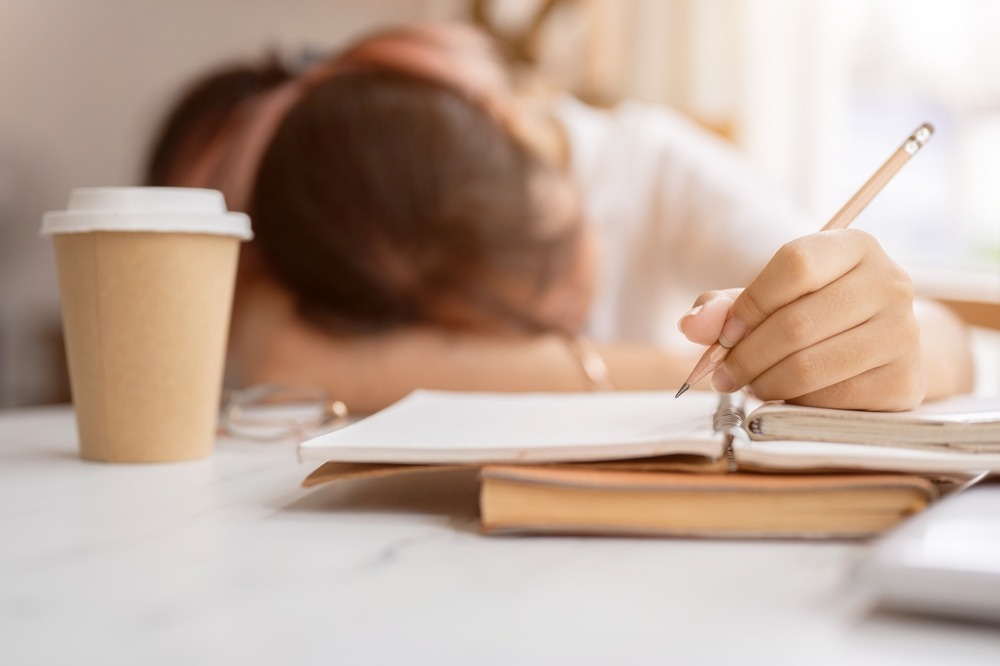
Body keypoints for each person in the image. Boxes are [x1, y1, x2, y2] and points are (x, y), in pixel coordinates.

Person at [145, 21, 974, 414]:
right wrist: (701, 373)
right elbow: (276, 355)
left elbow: (937, 335)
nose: (563, 321)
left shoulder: (650, 163)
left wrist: (895, 343)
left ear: (515, 128)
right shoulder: (341, 234)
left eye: (561, 259)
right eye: (509, 327)